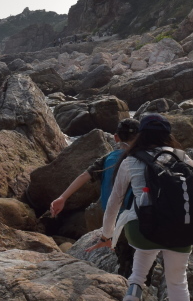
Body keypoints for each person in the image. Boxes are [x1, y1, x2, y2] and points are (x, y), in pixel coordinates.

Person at [92, 115, 193, 301]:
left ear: (141, 135)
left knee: (145, 242)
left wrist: (107, 235)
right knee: (177, 281)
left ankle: (135, 287)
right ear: (168, 135)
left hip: (141, 232)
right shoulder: (182, 157)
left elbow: (114, 203)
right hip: (181, 231)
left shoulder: (130, 160)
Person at [49, 118, 140, 275]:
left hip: (116, 219)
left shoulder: (108, 159)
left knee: (126, 259)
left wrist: (62, 198)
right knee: (140, 260)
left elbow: (85, 175)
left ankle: (128, 287)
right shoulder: (145, 158)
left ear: (116, 137)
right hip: (139, 218)